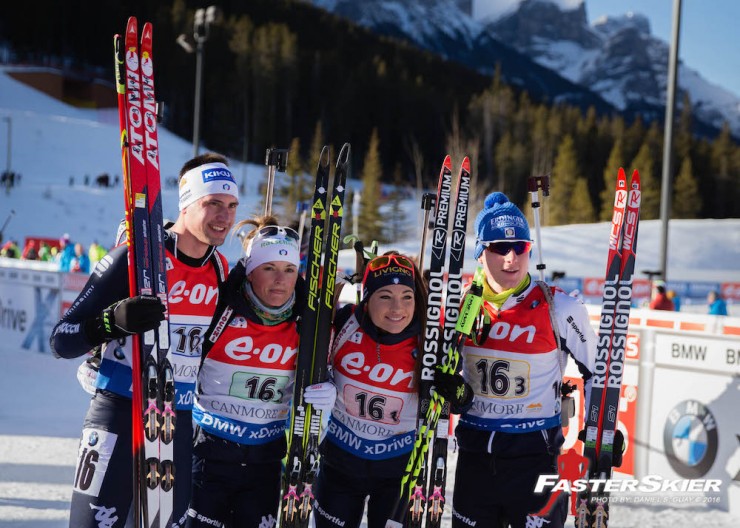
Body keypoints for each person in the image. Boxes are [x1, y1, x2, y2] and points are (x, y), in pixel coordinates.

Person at [49, 152, 239, 528]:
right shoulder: (136, 257)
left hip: (176, 421)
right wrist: (110, 323)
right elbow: (61, 340)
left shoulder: (220, 270)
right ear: (186, 205)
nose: (225, 215)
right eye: (213, 203)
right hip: (118, 412)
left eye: (231, 205)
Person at [447, 192, 597, 528]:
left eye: (521, 247)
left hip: (536, 460)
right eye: (499, 247)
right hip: (474, 460)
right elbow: (443, 371)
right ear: (480, 253)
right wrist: (450, 392)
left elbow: (597, 371)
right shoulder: (463, 307)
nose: (511, 257)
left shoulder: (558, 307)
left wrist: (597, 433)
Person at [186, 217, 331, 528]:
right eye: (269, 268)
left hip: (265, 463)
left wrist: (325, 388)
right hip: (209, 456)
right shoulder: (221, 308)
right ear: (250, 272)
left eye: (289, 270)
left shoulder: (307, 321)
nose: (280, 279)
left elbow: (328, 370)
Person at [312, 252, 428, 528]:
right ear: (367, 299)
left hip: (400, 469)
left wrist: (456, 392)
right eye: (385, 296)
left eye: (406, 297)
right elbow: (312, 360)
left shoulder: (428, 336)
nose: (397, 308)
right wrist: (323, 382)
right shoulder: (344, 322)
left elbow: (452, 400)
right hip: (341, 462)